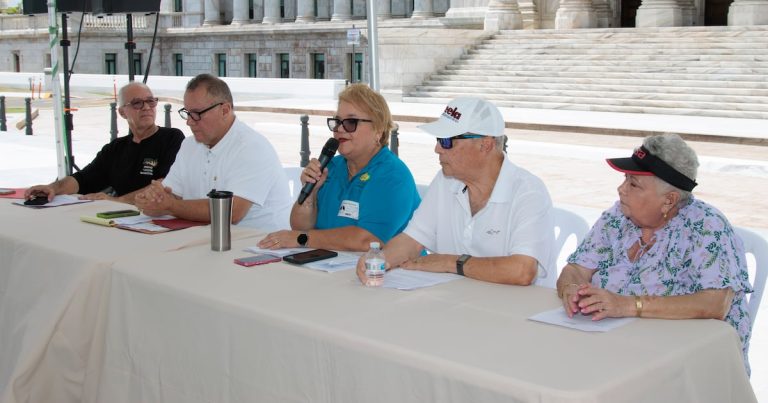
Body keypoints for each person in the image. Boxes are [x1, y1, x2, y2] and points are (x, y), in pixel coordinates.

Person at [556, 133, 752, 373]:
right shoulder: (618, 216)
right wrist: (572, 290)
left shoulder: (706, 226)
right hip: (612, 347)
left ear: (669, 200)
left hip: (685, 363)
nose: (621, 189)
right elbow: (576, 268)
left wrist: (628, 305)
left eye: (633, 184)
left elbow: (716, 303)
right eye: (625, 179)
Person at [356, 97, 555, 286]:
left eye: (446, 141)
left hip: (516, 311)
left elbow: (522, 271)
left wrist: (451, 263)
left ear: (485, 144)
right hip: (458, 302)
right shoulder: (445, 181)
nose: (437, 149)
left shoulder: (528, 192)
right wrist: (379, 259)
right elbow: (412, 240)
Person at [258, 83, 420, 251]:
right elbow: (299, 226)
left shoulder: (393, 175)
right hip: (330, 265)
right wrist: (310, 194)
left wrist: (303, 239)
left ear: (378, 130)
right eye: (337, 121)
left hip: (386, 273)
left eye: (350, 122)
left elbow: (367, 240)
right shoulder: (331, 166)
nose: (339, 129)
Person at [134, 74, 291, 230]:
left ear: (224, 110)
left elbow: (232, 211)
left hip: (259, 245)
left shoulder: (251, 147)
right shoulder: (189, 145)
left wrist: (170, 206)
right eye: (187, 113)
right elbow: (172, 194)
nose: (189, 121)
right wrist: (154, 198)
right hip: (205, 239)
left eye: (197, 114)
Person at [24, 82, 184, 204]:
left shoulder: (172, 138)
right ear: (122, 112)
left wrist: (117, 202)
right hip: (119, 219)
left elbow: (165, 184)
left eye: (151, 101)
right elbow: (83, 179)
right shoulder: (115, 148)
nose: (146, 107)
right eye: (137, 103)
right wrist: (52, 188)